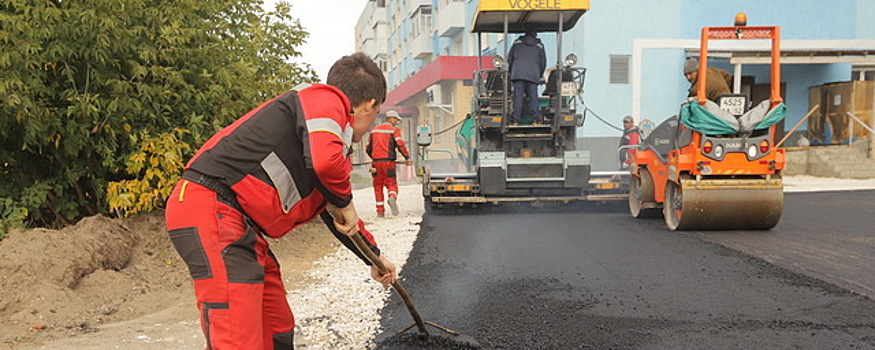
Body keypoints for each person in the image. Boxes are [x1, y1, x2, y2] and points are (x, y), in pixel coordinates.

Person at [164, 52, 397, 350]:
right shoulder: (324, 99)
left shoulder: (322, 141)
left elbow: (337, 214)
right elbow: (328, 171)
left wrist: (374, 258)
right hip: (210, 207)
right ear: (370, 104)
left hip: (240, 224)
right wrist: (347, 202)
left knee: (276, 326)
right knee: (238, 337)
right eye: (375, 115)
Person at [367, 111, 410, 217]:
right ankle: (392, 197)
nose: (396, 122)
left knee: (378, 186)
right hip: (388, 163)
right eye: (396, 120)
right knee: (391, 184)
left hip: (375, 163)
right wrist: (407, 157)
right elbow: (400, 145)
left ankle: (380, 212)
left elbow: (368, 148)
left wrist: (374, 158)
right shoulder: (394, 131)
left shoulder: (374, 131)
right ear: (391, 118)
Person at [507, 30, 546, 125]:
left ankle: (515, 120)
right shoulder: (539, 46)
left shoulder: (517, 43)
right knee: (533, 97)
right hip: (533, 75)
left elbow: (510, 59)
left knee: (518, 97)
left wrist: (511, 73)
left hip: (518, 74)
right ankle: (536, 119)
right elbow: (543, 63)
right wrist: (539, 75)